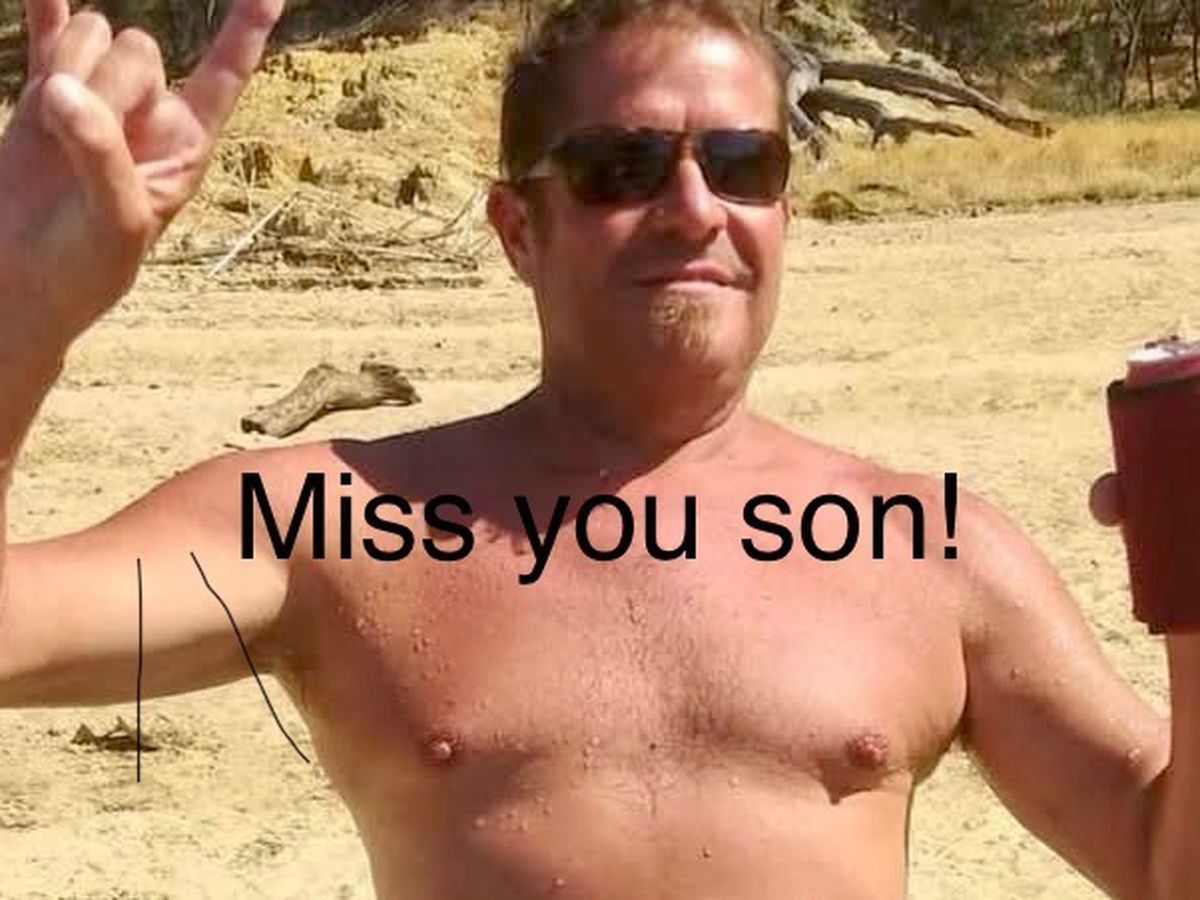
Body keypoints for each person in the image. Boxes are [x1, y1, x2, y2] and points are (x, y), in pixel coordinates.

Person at [0, 0, 1196, 897]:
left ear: (784, 210)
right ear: (517, 227)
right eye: (621, 167)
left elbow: (1164, 859)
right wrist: (21, 307)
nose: (696, 208)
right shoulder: (340, 517)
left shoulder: (928, 548)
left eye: (743, 165)